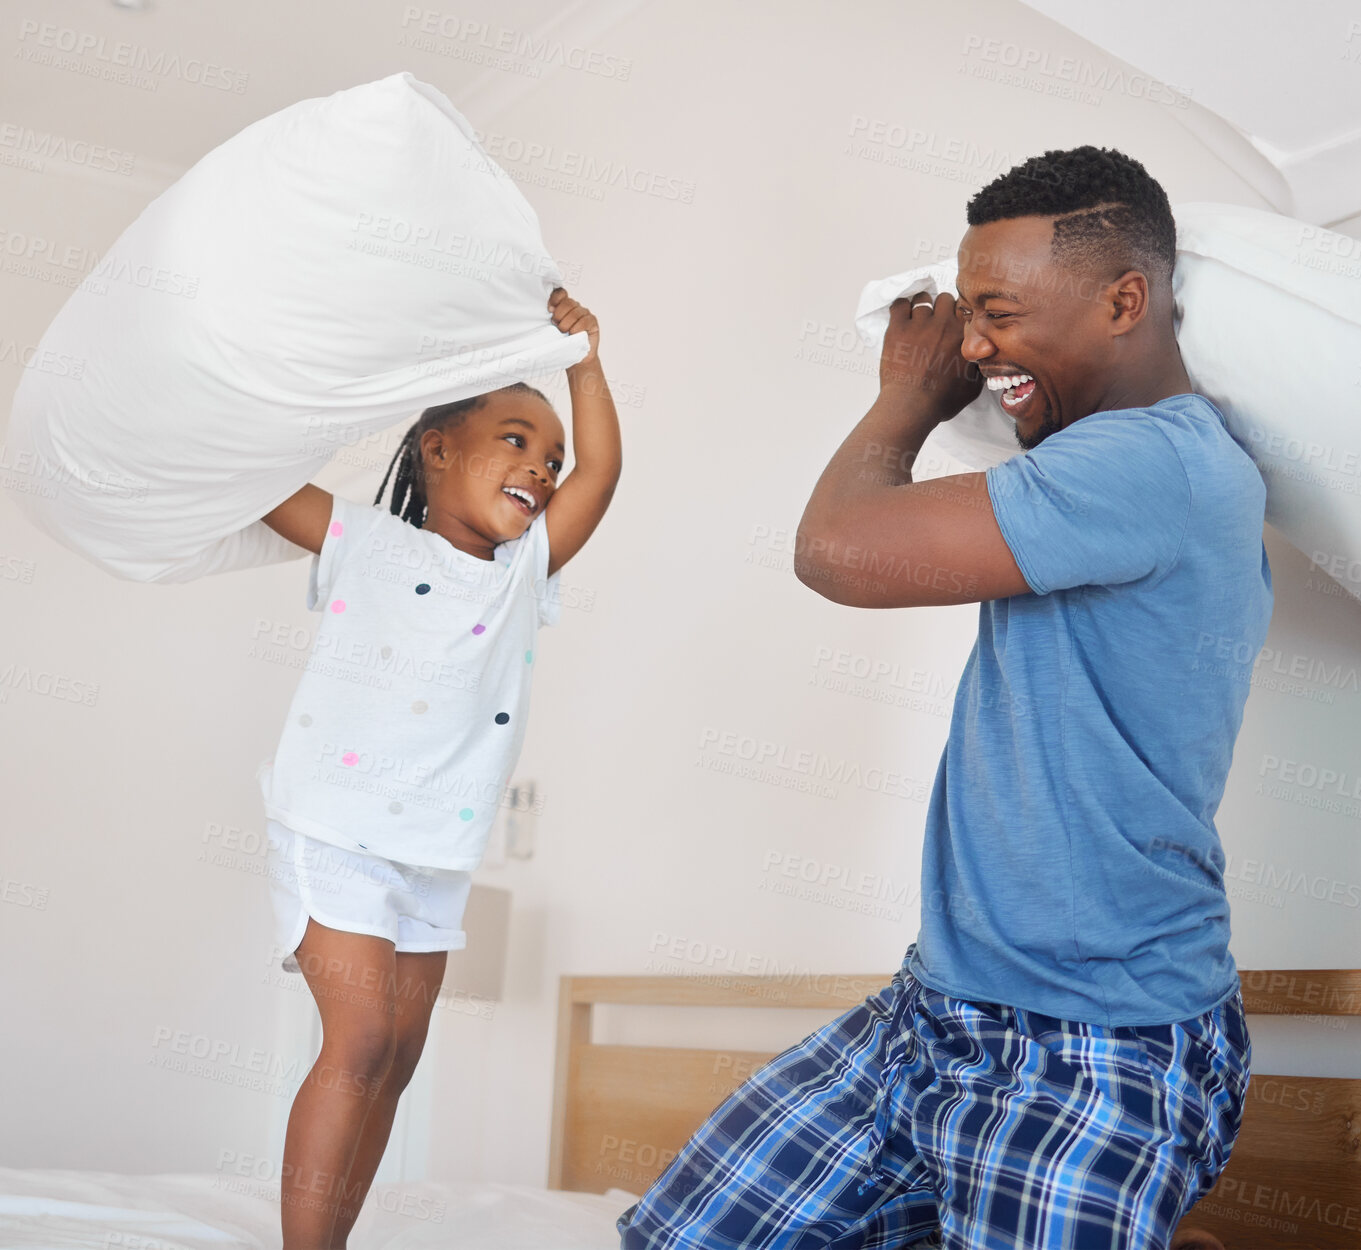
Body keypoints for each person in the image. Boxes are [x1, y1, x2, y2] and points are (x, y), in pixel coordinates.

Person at [615, 147, 1272, 1248]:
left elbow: (839, 550)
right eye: (967, 315)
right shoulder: (1097, 466)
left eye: (1000, 313)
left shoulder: (1148, 463)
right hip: (932, 1013)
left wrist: (905, 398)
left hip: (1100, 1044)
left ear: (1125, 301)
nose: (972, 346)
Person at [256, 288, 620, 1250]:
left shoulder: (523, 577)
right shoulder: (366, 542)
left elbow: (604, 471)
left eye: (549, 458)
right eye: (514, 441)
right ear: (439, 450)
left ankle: (331, 1234)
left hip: (436, 843)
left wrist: (584, 358)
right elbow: (249, 475)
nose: (540, 469)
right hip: (333, 825)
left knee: (401, 1054)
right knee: (363, 1037)